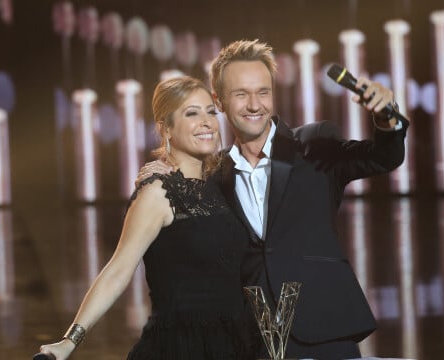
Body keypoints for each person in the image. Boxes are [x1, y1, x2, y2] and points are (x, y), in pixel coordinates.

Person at [137, 39, 410, 359]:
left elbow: (383, 156)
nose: (255, 105)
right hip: (253, 340)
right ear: (219, 101)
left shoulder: (314, 144)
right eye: (241, 94)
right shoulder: (213, 175)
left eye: (263, 92)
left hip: (325, 329)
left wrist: (385, 119)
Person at [37, 76, 258, 360]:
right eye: (192, 113)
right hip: (181, 347)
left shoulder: (222, 182)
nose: (207, 122)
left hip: (236, 346)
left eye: (211, 112)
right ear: (166, 128)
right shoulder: (157, 192)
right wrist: (70, 341)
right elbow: (118, 270)